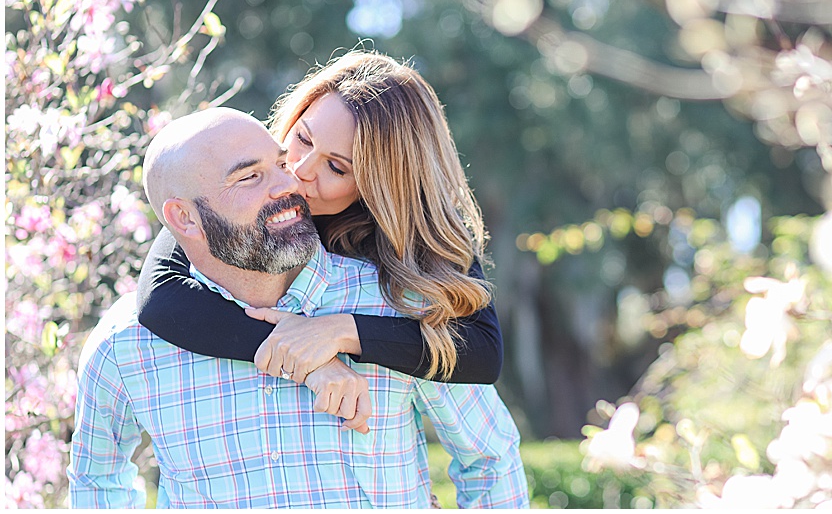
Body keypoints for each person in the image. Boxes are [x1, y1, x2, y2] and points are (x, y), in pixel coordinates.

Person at [68, 108, 529, 508]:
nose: (292, 181)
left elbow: (488, 458)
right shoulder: (124, 346)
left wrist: (343, 334)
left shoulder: (401, 302)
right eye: (250, 176)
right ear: (184, 218)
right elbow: (97, 481)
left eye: (279, 163)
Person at [136, 51, 502, 390]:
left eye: (336, 167)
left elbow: (483, 353)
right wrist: (306, 359)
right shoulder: (251, 190)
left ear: (380, 186)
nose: (297, 171)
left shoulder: (415, 234)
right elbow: (159, 299)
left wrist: (340, 332)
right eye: (304, 139)